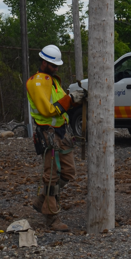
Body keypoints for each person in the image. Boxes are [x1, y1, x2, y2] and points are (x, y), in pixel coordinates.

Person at [26, 44, 85, 232]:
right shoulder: (38, 82)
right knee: (51, 176)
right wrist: (70, 99)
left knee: (68, 172)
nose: (56, 68)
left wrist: (72, 100)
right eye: (53, 65)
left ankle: (42, 200)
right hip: (48, 133)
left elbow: (60, 107)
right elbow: (48, 110)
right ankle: (52, 218)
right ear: (43, 62)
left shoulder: (52, 80)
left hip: (61, 131)